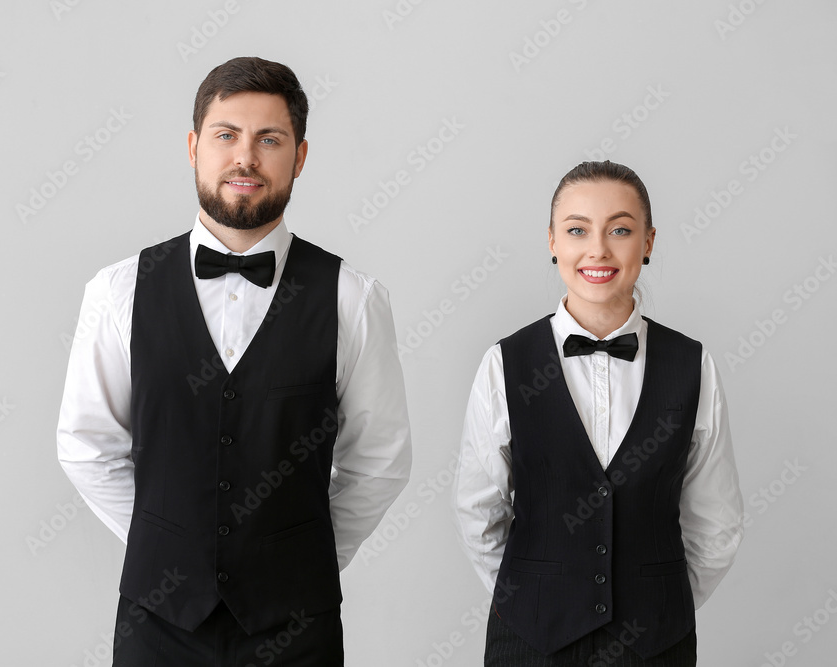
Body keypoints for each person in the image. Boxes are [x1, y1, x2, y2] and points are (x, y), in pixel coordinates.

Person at [57, 56, 411, 666]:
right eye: (226, 135)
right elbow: (86, 445)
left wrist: (295, 559)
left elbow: (380, 462)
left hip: (298, 626)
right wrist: (173, 553)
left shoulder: (353, 298)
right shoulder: (118, 291)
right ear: (194, 146)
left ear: (299, 157)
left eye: (269, 140)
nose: (245, 158)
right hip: (158, 624)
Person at [453, 161, 743, 666]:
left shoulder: (692, 364)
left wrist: (661, 605)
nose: (598, 250)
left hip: (657, 642)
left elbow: (716, 522)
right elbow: (477, 511)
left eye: (621, 230)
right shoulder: (505, 363)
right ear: (552, 242)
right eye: (577, 230)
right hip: (529, 641)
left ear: (648, 242)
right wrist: (533, 600)